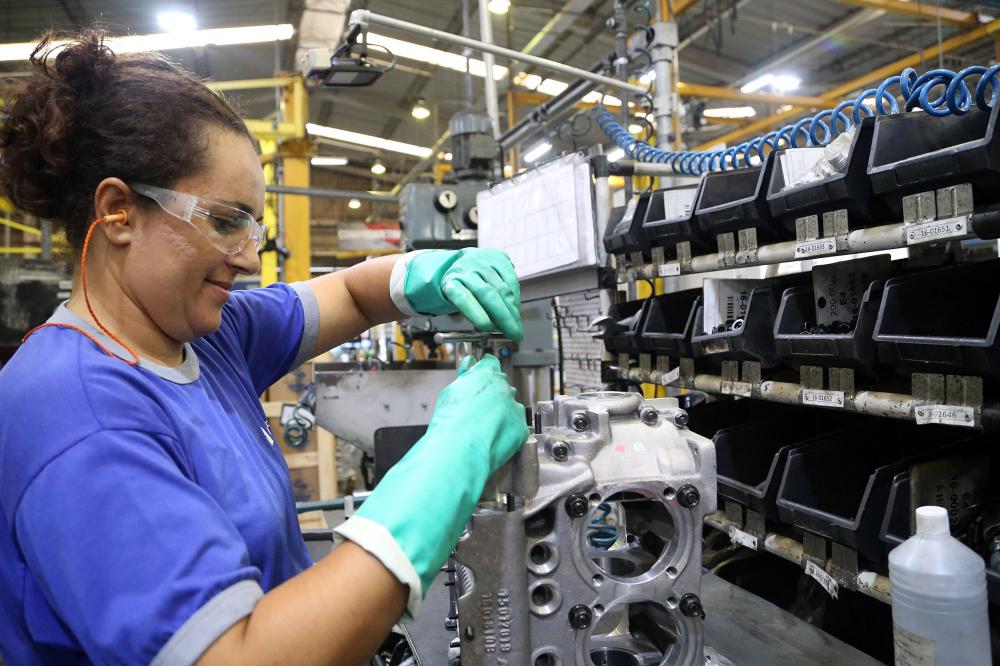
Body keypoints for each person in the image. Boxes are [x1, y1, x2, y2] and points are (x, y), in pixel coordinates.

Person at [0, 30, 530, 665]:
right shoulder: (76, 415)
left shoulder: (208, 336)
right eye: (225, 222)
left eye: (254, 227)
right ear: (118, 213)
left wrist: (423, 275)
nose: (250, 258)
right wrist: (449, 466)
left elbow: (354, 297)